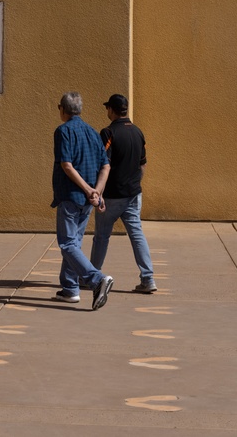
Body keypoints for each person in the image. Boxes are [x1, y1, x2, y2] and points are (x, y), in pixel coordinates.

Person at [51, 91, 114, 310]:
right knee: (74, 243)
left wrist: (89, 189)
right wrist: (97, 191)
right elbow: (105, 165)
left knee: (67, 243)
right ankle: (69, 289)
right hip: (88, 199)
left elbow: (66, 165)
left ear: (63, 109)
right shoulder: (92, 132)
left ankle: (96, 280)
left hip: (71, 196)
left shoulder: (63, 131)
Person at [91, 94, 156, 293]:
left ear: (112, 109)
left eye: (107, 108)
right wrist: (135, 183)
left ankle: (92, 276)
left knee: (101, 236)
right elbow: (143, 164)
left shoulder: (108, 132)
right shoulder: (138, 132)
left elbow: (104, 164)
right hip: (133, 194)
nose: (106, 112)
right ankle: (148, 279)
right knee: (136, 234)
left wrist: (98, 192)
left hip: (111, 195)